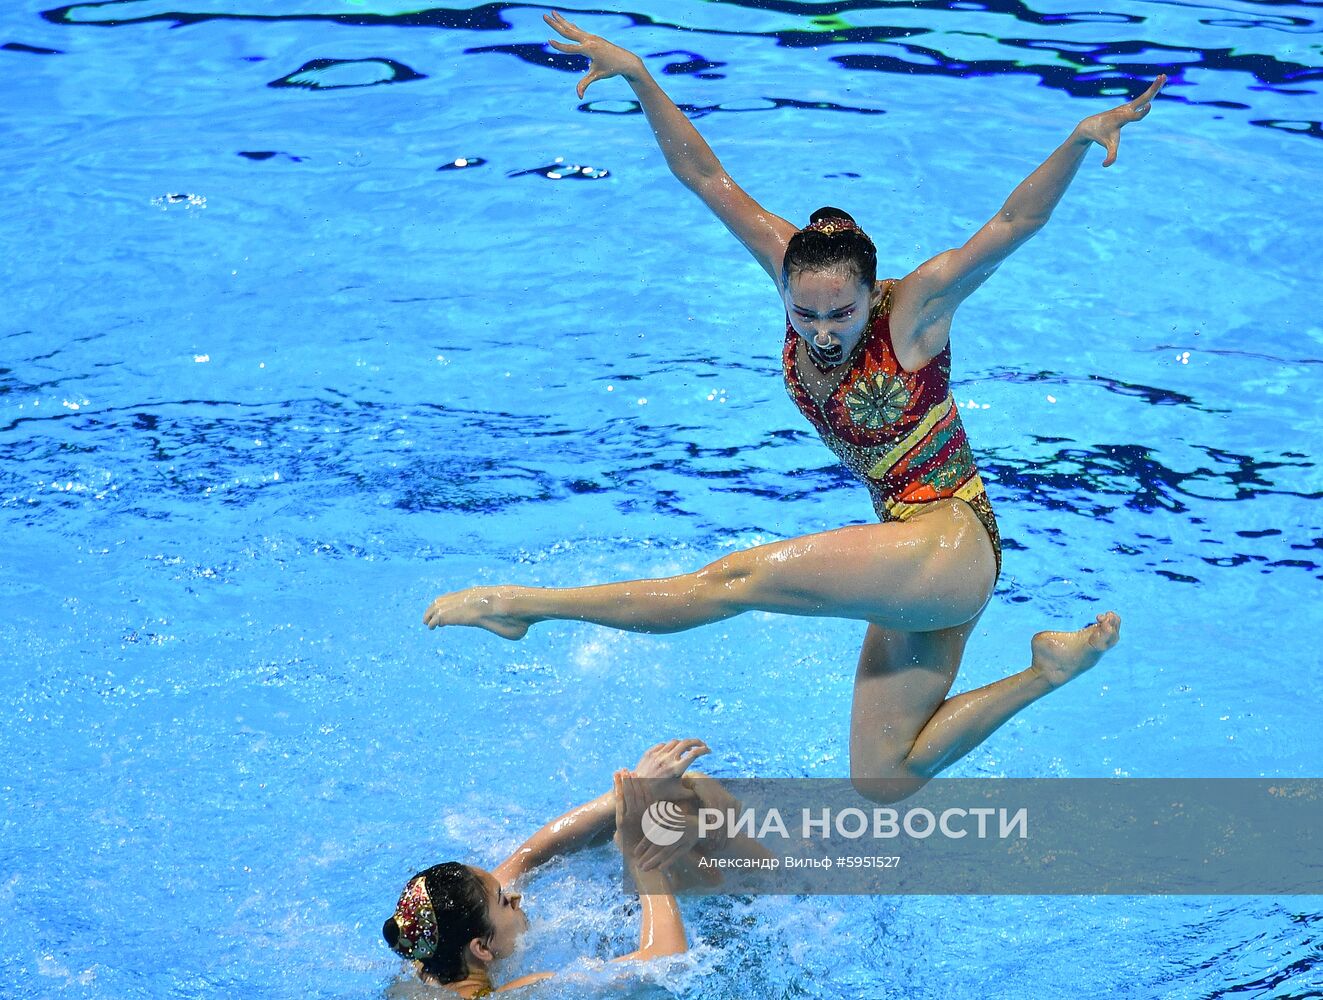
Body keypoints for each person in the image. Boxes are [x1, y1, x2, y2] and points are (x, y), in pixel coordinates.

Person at [424, 12, 1151, 803]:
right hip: (913, 552)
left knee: (730, 579)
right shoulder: (794, 274)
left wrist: (1080, 138)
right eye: (805, 316)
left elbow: (1011, 224)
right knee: (883, 776)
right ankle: (1047, 672)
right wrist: (636, 74)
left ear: (871, 292)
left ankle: (520, 607)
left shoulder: (911, 315)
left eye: (840, 315)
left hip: (946, 539)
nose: (822, 331)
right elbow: (705, 177)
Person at [382, 739, 755, 996]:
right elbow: (667, 959)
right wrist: (639, 851)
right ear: (481, 947)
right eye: (503, 901)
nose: (515, 895)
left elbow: (530, 855)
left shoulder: (425, 961)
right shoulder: (524, 993)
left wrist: (628, 793)